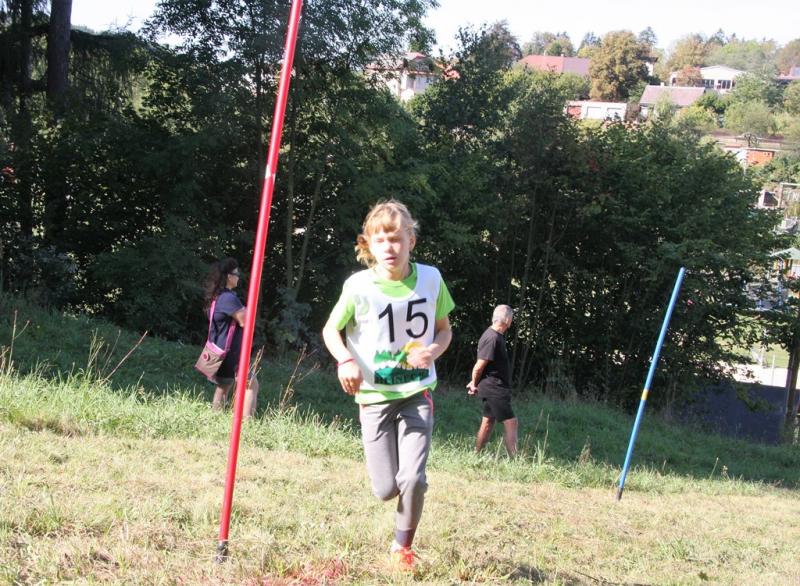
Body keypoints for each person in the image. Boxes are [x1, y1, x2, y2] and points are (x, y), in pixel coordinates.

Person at [322, 200, 454, 571]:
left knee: (413, 478)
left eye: (396, 239)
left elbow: (444, 331)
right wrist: (345, 360)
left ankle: (402, 547)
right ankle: (400, 499)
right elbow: (331, 330)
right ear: (368, 244)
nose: (389, 247)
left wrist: (432, 351)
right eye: (380, 240)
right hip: (374, 397)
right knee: (385, 489)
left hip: (417, 394)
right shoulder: (358, 287)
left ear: (411, 240)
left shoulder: (431, 279)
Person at [202, 258, 259, 418]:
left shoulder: (218, 297)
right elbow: (245, 322)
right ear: (228, 276)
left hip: (219, 350)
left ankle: (215, 417)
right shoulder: (228, 298)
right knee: (250, 385)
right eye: (236, 273)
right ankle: (246, 421)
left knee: (223, 387)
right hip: (231, 353)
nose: (238, 276)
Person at [466, 304, 518, 456]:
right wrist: (473, 383)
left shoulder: (496, 336)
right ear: (507, 320)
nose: (511, 321)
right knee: (511, 422)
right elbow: (479, 366)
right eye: (511, 318)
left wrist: (475, 382)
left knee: (488, 421)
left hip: (493, 386)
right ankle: (515, 460)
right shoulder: (492, 338)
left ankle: (477, 455)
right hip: (494, 387)